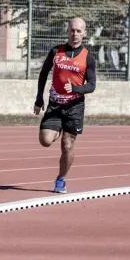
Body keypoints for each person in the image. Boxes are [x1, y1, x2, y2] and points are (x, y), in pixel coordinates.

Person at [33, 17, 97, 194]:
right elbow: (44, 73)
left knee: (67, 146)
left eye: (78, 31)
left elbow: (92, 85)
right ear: (67, 31)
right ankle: (56, 128)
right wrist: (39, 98)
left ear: (84, 33)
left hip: (74, 107)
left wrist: (76, 88)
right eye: (72, 30)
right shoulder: (56, 51)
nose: (75, 34)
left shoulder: (88, 57)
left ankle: (61, 180)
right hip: (54, 105)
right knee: (45, 140)